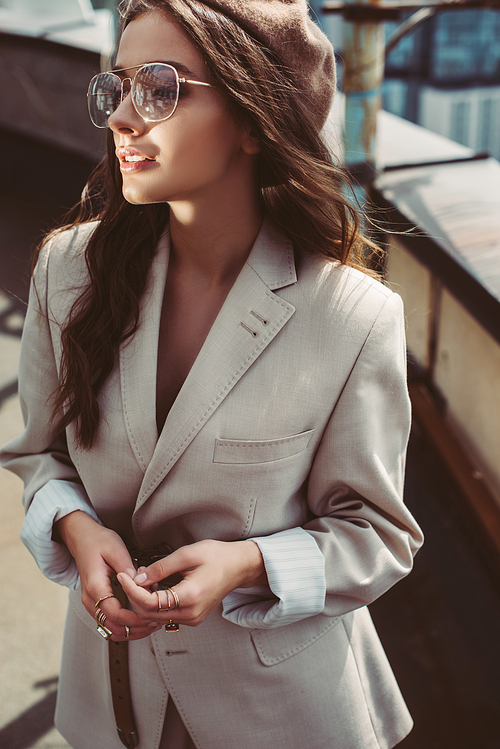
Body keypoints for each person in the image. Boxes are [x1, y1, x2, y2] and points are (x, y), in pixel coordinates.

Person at [0, 1, 424, 747]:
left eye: (159, 88)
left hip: (286, 711)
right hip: (112, 702)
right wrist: (72, 521)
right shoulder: (67, 272)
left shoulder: (352, 316)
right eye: (118, 86)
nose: (123, 119)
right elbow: (40, 454)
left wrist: (250, 563)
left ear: (256, 121)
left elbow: (377, 532)